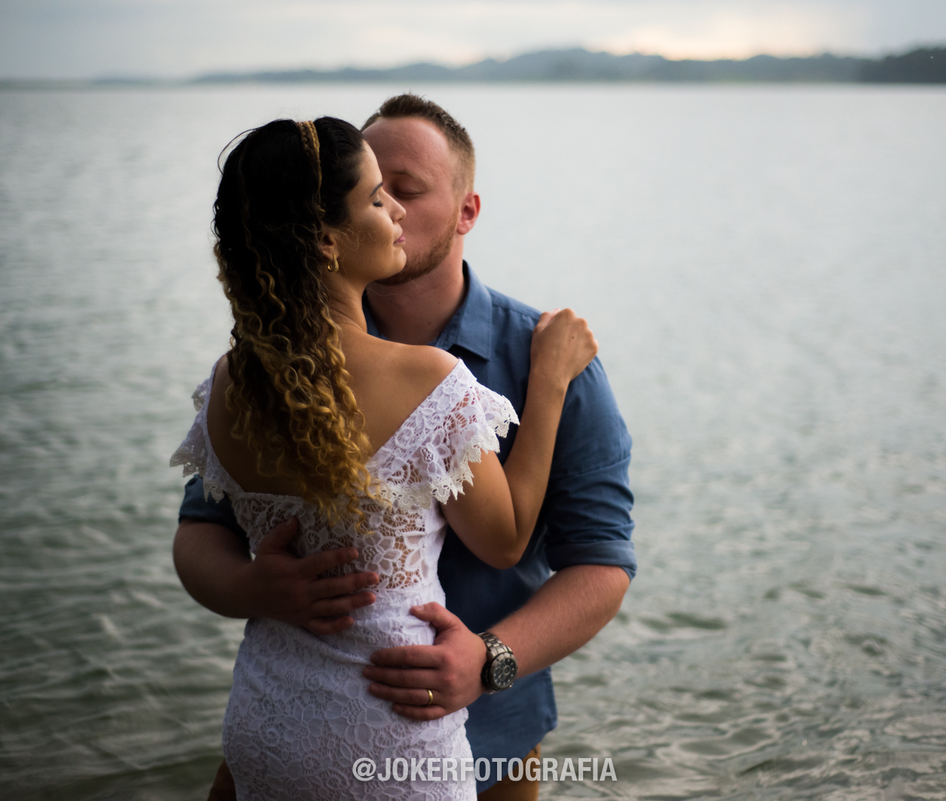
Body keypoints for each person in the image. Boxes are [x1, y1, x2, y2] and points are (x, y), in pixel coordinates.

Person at [174, 96, 636, 799]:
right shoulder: (278, 369)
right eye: (374, 191)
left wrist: (492, 659)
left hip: (490, 735)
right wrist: (250, 586)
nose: (390, 207)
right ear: (323, 228)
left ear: (466, 212)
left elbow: (602, 563)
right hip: (312, 734)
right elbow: (202, 531)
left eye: (407, 191)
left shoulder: (551, 356)